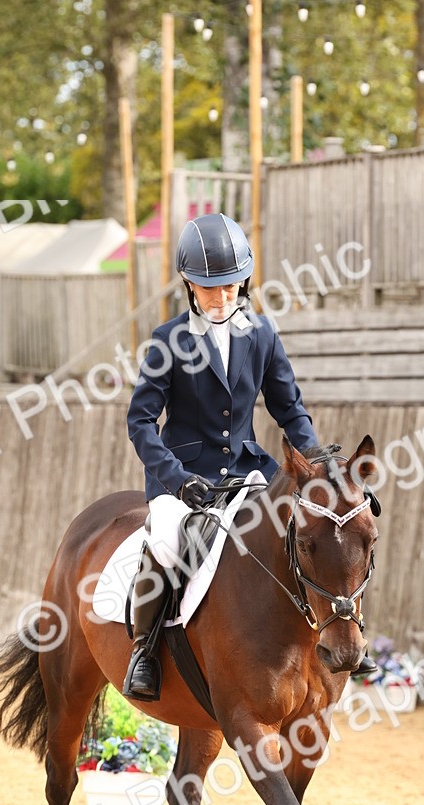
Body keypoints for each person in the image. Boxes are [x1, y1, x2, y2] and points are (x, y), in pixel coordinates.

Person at [122, 211, 318, 700]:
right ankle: (144, 652)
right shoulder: (168, 341)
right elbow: (140, 422)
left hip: (248, 472)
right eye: (210, 289)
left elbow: (289, 410)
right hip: (184, 477)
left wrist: (316, 464)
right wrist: (175, 478)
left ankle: (331, 638)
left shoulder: (262, 334)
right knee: (167, 541)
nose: (221, 298)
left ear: (243, 281)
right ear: (189, 283)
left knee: (311, 530)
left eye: (230, 287)